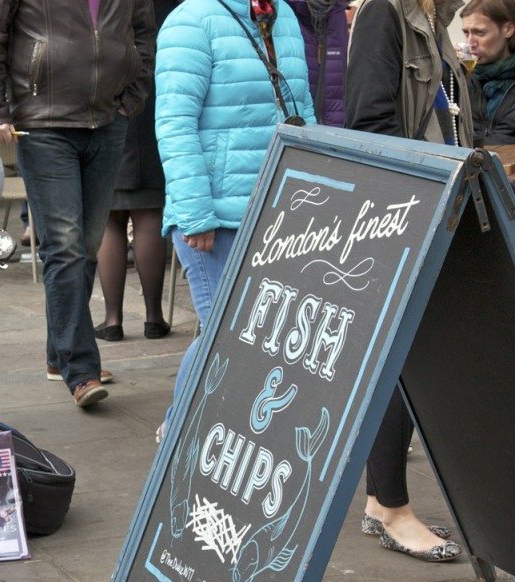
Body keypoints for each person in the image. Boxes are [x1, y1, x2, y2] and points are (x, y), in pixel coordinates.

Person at [0, 0, 156, 408]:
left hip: (108, 119)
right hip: (42, 121)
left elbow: (143, 32)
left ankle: (60, 354)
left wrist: (133, 98)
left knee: (87, 244)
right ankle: (81, 368)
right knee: (66, 244)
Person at [346, 0, 468, 561]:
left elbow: (450, 113)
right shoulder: (384, 15)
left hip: (442, 204)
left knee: (423, 353)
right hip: (408, 209)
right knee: (400, 357)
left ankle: (385, 501)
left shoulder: (435, 19)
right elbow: (371, 124)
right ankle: (389, 505)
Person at [157, 0, 315, 409]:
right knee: (225, 335)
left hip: (278, 210)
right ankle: (179, 434)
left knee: (258, 337)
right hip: (215, 217)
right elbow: (175, 125)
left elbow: (303, 111)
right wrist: (195, 215)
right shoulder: (189, 20)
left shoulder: (282, 15)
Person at [95, 0, 177, 345]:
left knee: (110, 216)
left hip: (106, 94)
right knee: (148, 211)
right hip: (153, 94)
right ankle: (154, 317)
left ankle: (112, 319)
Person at [286, 0, 349, 126]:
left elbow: (342, 87)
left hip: (334, 133)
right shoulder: (283, 13)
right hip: (295, 134)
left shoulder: (337, 13)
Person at [462, 0, 515, 145]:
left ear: (508, 29)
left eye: (479, 32)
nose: (470, 43)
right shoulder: (464, 80)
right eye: (466, 33)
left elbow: (507, 137)